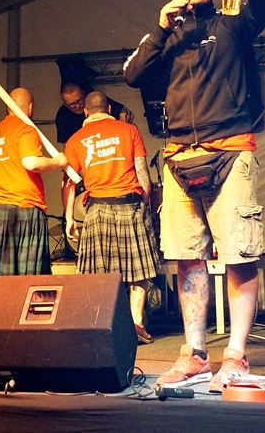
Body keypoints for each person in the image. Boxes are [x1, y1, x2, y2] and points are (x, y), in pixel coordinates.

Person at [123, 0, 265, 392]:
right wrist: (161, 27)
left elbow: (263, 11)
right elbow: (132, 74)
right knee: (187, 256)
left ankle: (236, 355)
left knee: (239, 254)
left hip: (228, 148)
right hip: (178, 155)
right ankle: (194, 354)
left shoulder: (230, 20)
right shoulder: (166, 36)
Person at [62, 91, 160, 345]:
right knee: (139, 271)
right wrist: (144, 203)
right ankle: (136, 324)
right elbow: (142, 173)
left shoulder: (75, 140)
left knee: (99, 275)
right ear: (108, 109)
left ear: (86, 112)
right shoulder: (129, 131)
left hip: (98, 210)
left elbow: (69, 183)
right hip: (130, 204)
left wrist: (69, 217)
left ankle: (103, 325)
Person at [0, 87, 68, 278]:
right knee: (26, 280)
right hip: (23, 208)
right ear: (31, 107)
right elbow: (31, 163)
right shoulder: (25, 129)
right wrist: (58, 161)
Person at [55, 81, 134, 144]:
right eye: (72, 104)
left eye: (79, 101)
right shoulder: (62, 117)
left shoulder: (94, 100)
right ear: (65, 104)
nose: (78, 106)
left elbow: (126, 113)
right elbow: (67, 145)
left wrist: (120, 134)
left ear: (83, 94)